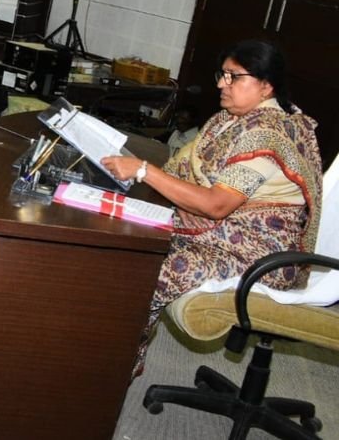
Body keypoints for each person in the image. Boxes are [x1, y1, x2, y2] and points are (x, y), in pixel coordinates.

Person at [100, 40, 323, 376]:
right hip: (216, 236)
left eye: (234, 77)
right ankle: (104, 353)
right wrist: (146, 173)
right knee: (130, 240)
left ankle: (115, 368)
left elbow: (216, 205)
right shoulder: (227, 120)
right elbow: (180, 167)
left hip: (259, 256)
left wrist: (144, 171)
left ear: (266, 86)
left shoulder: (269, 134)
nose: (222, 84)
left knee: (149, 273)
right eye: (222, 74)